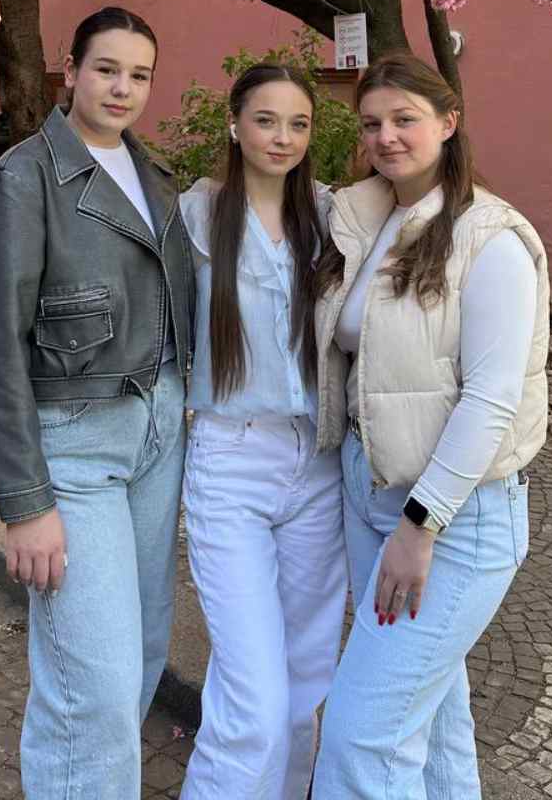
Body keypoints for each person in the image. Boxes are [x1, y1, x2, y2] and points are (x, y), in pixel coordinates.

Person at [0, 6, 195, 800]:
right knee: (92, 682)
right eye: (107, 69)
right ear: (72, 70)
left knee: (143, 652)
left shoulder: (155, 176)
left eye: (139, 75)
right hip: (77, 443)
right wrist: (25, 503)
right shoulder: (22, 181)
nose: (122, 88)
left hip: (159, 431)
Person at [309, 53, 549, 800]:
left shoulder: (491, 238)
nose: (386, 136)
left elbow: (491, 400)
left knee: (363, 734)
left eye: (404, 119)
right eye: (371, 123)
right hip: (369, 490)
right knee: (435, 713)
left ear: (449, 123)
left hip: (453, 517)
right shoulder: (364, 220)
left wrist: (421, 525)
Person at [177, 62, 347, 800]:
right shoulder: (195, 214)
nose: (283, 137)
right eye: (266, 120)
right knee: (252, 689)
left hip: (319, 459)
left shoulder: (333, 215)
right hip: (231, 455)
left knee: (307, 675)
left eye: (299, 124)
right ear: (234, 124)